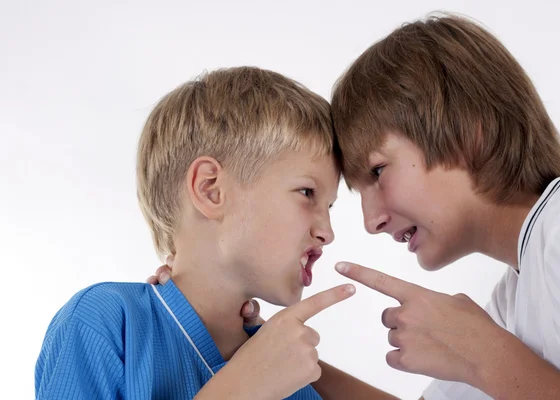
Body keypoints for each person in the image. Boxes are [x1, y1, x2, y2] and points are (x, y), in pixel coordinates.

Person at [154, 14, 560, 399]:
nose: (371, 221)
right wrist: (267, 353)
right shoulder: (516, 294)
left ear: (468, 133)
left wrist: (482, 353)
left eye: (379, 172)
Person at [35, 67, 400, 399]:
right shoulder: (105, 322)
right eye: (307, 193)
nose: (327, 232)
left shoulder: (291, 377)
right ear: (211, 190)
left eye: (331, 207)